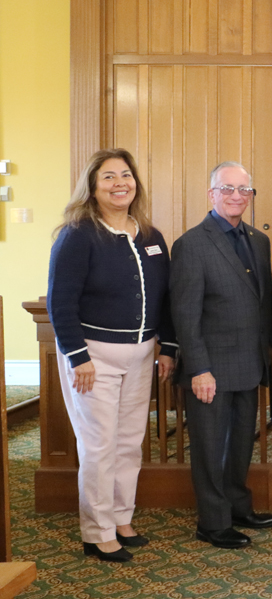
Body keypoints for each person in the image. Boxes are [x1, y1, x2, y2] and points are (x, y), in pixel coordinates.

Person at [47, 148, 177, 562]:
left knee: (128, 443)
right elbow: (60, 301)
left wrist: (168, 347)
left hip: (141, 355)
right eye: (108, 177)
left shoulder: (151, 236)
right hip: (93, 359)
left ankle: (121, 518)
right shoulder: (78, 235)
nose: (120, 183)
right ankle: (97, 531)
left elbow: (166, 298)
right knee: (99, 446)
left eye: (126, 175)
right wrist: (77, 356)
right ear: (92, 186)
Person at [170, 161, 272, 549]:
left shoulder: (258, 240)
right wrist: (199, 368)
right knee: (210, 448)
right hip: (211, 368)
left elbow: (260, 302)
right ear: (211, 194)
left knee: (240, 445)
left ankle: (237, 508)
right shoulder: (191, 245)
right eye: (227, 188)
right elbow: (185, 314)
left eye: (244, 190)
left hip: (249, 362)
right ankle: (212, 523)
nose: (237, 196)